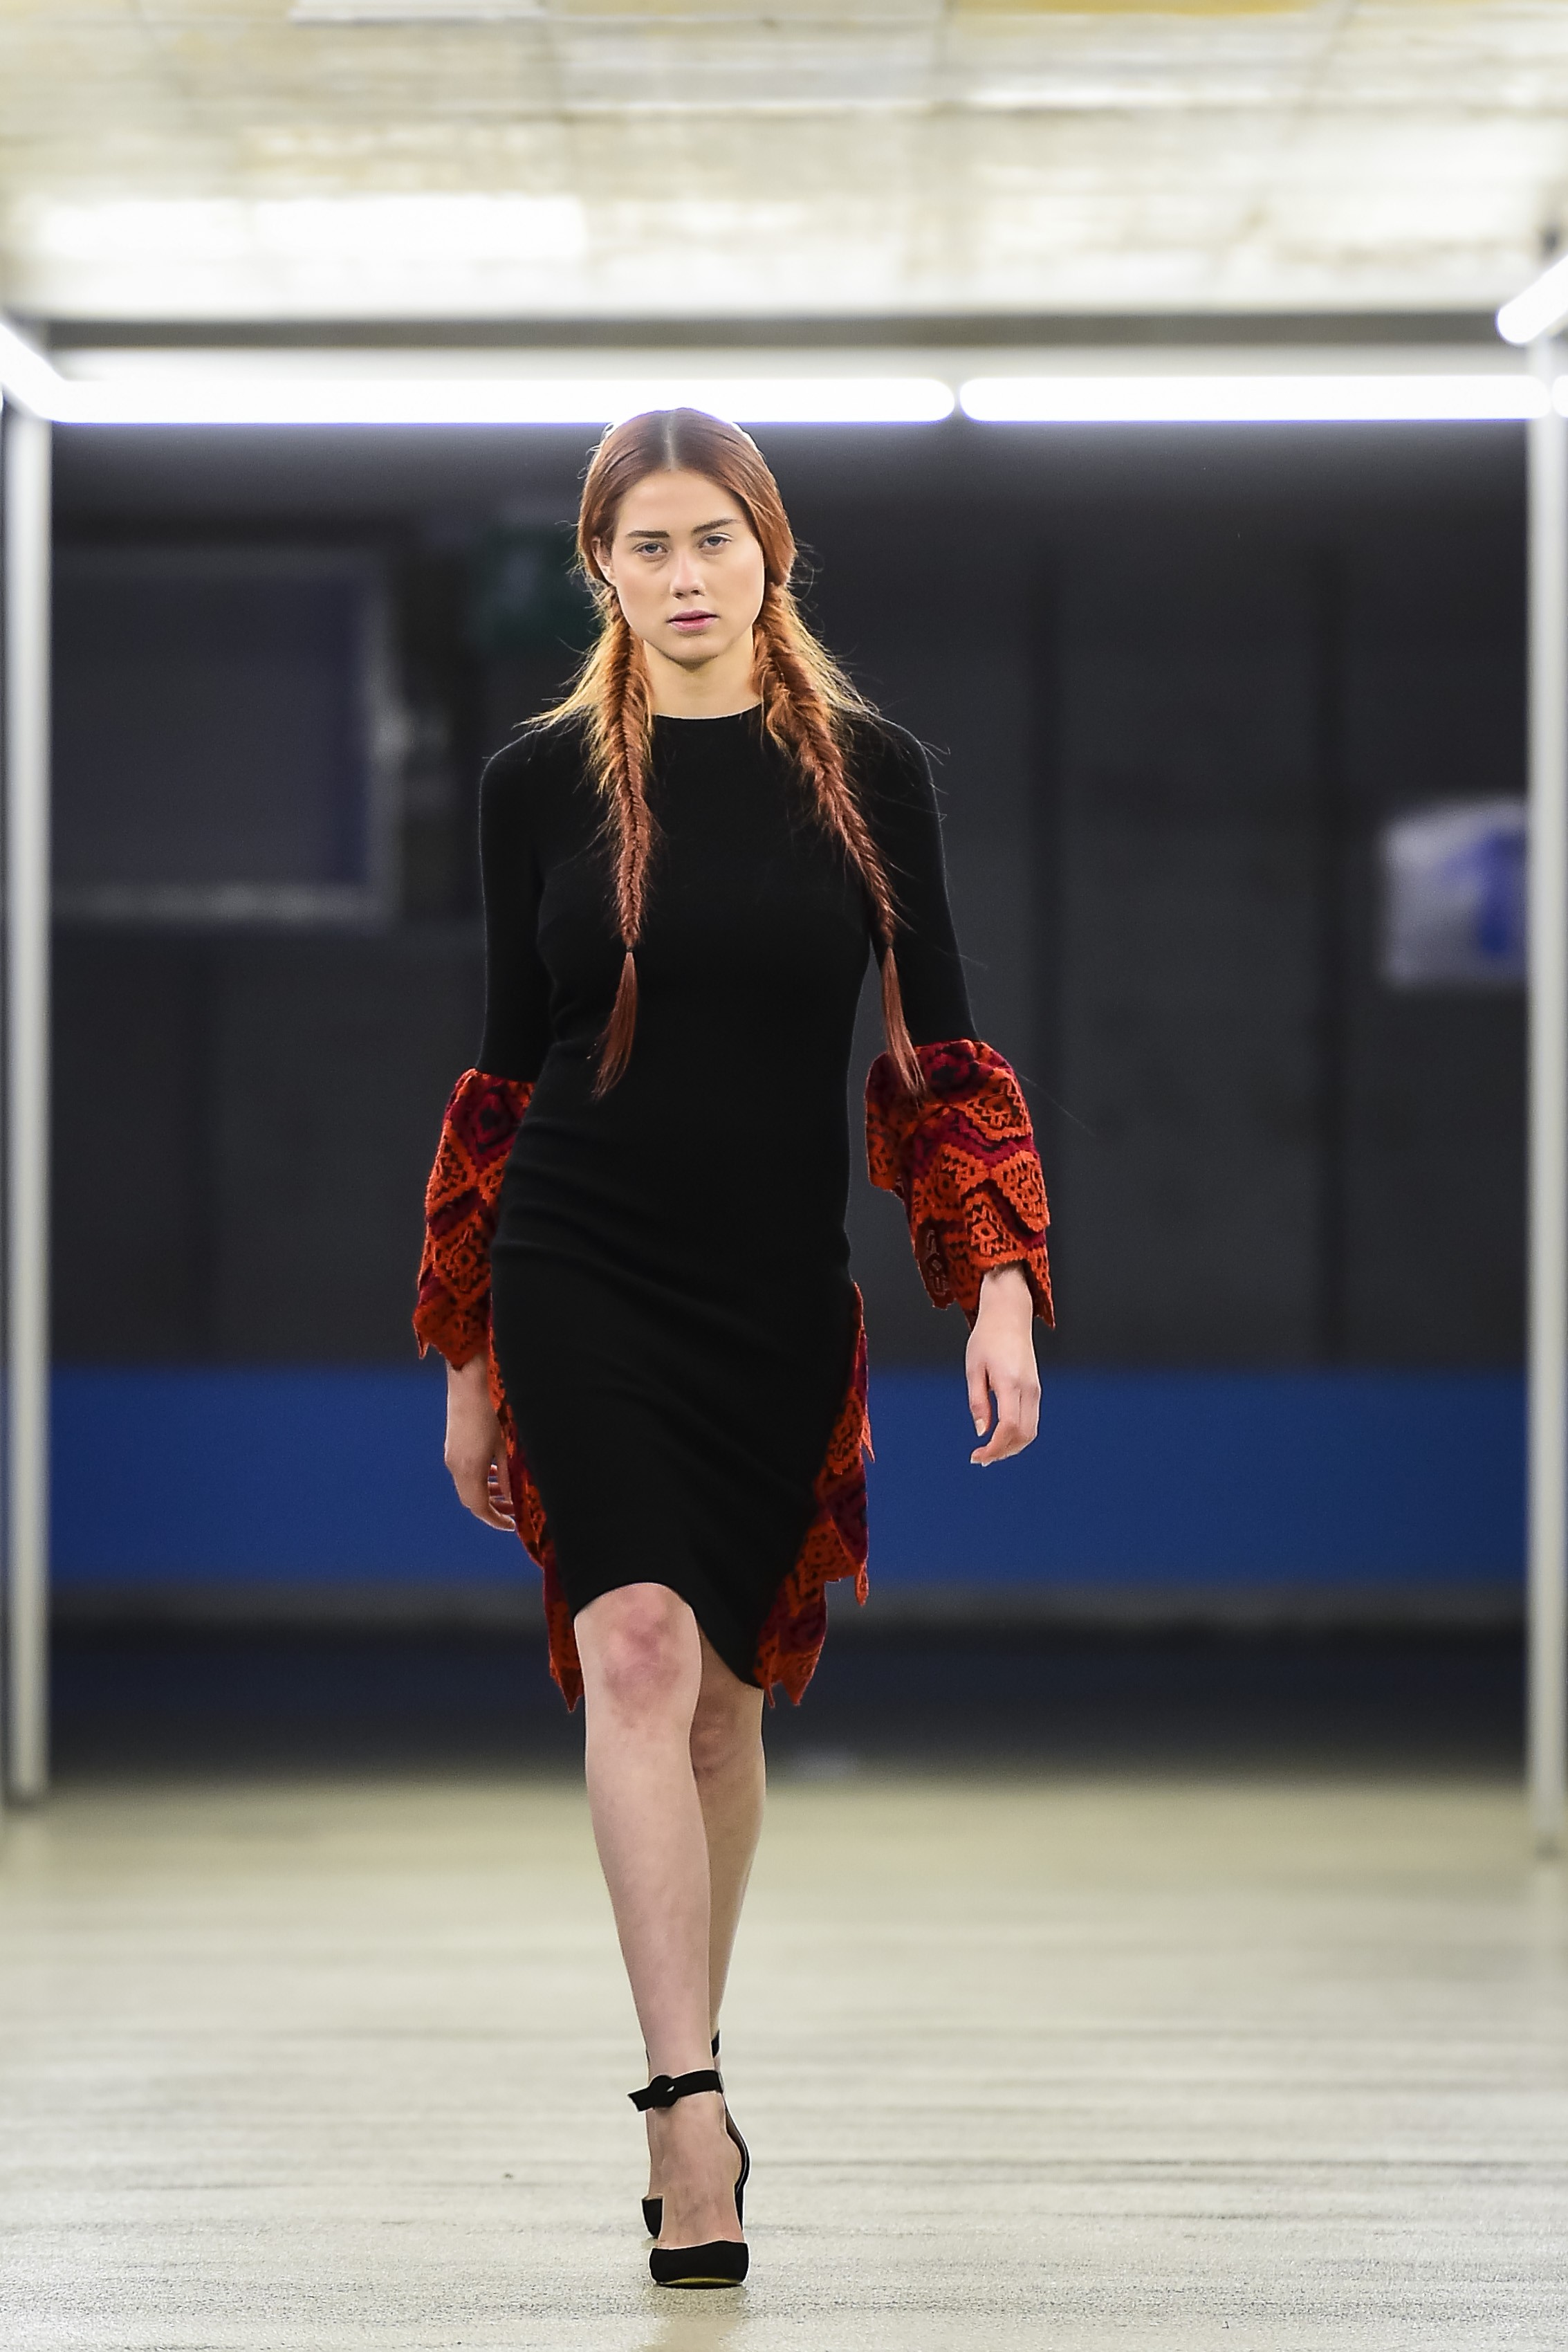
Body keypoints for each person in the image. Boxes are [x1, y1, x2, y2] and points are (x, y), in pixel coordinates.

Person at [414, 407, 1052, 2289]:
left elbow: (938, 1048)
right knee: (633, 1645)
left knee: (719, 1704)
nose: (685, 577)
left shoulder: (866, 774)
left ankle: (698, 2033)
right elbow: (501, 1075)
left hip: (770, 1287)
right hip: (577, 1261)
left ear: (769, 552)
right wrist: (467, 1357)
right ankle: (682, 2105)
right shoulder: (538, 784)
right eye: (647, 547)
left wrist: (1000, 1288)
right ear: (599, 571)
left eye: (714, 540)